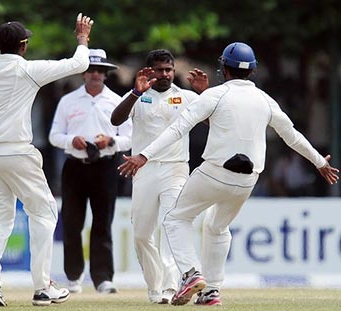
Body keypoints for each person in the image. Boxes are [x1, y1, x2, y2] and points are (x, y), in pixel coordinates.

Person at [117, 42, 339, 306]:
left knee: (175, 219)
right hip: (247, 181)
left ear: (224, 67)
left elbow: (177, 129)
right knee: (217, 227)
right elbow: (291, 135)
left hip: (214, 173)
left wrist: (144, 155)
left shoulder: (215, 95)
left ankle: (189, 274)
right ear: (253, 70)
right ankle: (211, 289)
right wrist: (319, 162)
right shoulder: (265, 100)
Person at [0, 13, 94, 306]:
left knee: (2, 218)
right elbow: (79, 64)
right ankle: (42, 286)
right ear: (23, 46)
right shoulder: (27, 70)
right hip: (17, 152)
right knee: (45, 211)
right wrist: (82, 38)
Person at [110, 49, 208, 303]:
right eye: (159, 70)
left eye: (169, 69)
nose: (165, 74)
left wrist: (203, 94)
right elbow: (115, 119)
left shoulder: (186, 97)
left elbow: (214, 121)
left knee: (169, 226)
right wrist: (134, 93)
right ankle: (155, 288)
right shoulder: (140, 96)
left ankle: (169, 288)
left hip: (176, 168)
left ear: (174, 71)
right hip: (143, 170)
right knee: (142, 235)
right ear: (149, 71)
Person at [48, 48, 132, 295]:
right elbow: (54, 135)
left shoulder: (117, 101)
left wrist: (111, 142)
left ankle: (103, 278)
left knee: (102, 223)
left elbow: (130, 137)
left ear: (106, 75)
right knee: (72, 223)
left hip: (105, 166)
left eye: (100, 71)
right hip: (75, 166)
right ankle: (73, 277)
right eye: (91, 70)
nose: (95, 74)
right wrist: (71, 140)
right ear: (84, 73)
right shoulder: (68, 101)